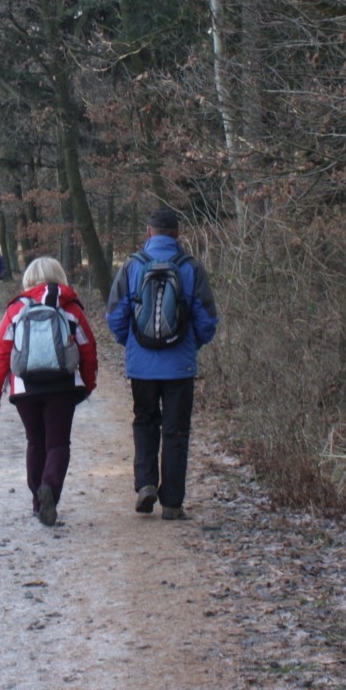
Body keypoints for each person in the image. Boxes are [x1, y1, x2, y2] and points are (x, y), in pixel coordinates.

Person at [106, 206, 218, 521]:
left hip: (141, 365)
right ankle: (172, 503)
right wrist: (192, 343)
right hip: (179, 365)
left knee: (144, 421)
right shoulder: (191, 267)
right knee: (176, 431)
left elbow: (115, 314)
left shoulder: (132, 265)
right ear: (177, 234)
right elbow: (207, 319)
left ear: (148, 232)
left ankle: (145, 484)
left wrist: (130, 342)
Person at [0, 256, 97, 526]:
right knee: (58, 443)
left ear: (28, 279)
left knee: (35, 442)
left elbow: (1, 352)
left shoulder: (16, 309)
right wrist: (87, 383)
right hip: (62, 386)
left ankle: (38, 503)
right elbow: (88, 349)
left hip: (24, 387)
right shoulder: (71, 309)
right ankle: (50, 487)